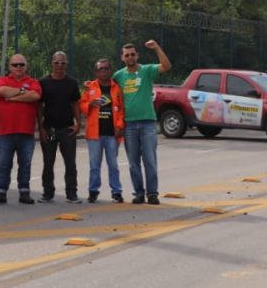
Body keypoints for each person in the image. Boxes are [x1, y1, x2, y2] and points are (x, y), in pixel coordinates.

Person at [114, 40, 171, 204]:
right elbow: (105, 87)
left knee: (150, 161)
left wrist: (157, 48)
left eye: (133, 54)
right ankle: (138, 193)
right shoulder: (119, 75)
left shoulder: (147, 70)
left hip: (147, 123)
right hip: (129, 125)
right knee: (133, 163)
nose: (130, 57)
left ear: (137, 55)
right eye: (127, 55)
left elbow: (166, 66)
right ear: (122, 58)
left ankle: (152, 194)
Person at [0, 54, 42, 204]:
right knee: (5, 163)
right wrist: (22, 91)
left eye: (21, 64)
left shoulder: (33, 82)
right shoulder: (3, 80)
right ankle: (1, 192)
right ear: (9, 67)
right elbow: (1, 91)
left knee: (25, 163)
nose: (18, 67)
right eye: (15, 65)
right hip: (7, 131)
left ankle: (24, 192)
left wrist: (12, 97)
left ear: (26, 66)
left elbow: (35, 96)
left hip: (26, 131)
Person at [37, 51, 81, 203]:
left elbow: (75, 104)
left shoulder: (72, 83)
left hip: (67, 129)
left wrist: (78, 124)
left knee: (70, 163)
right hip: (49, 128)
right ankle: (47, 193)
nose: (59, 66)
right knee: (48, 163)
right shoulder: (43, 83)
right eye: (57, 62)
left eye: (62, 63)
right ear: (51, 63)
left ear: (66, 64)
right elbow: (39, 106)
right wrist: (40, 128)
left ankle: (72, 193)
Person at [79, 58, 125, 203]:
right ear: (96, 72)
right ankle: (93, 191)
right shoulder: (89, 87)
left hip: (112, 133)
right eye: (100, 69)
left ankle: (116, 192)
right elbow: (81, 105)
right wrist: (90, 105)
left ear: (110, 71)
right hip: (94, 134)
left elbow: (122, 109)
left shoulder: (116, 88)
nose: (104, 71)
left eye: (106, 69)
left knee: (113, 165)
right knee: (94, 165)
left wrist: (119, 126)